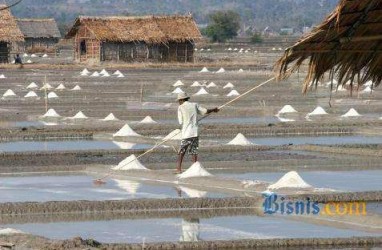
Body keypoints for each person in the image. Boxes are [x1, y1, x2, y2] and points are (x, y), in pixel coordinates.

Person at [176, 93, 219, 173]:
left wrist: (187, 121)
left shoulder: (180, 107)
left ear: (181, 100)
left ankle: (178, 169)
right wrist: (213, 110)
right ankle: (195, 170)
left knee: (182, 151)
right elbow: (205, 111)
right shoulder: (195, 105)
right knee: (194, 151)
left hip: (186, 133)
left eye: (179, 101)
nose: (179, 102)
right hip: (195, 132)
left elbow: (180, 121)